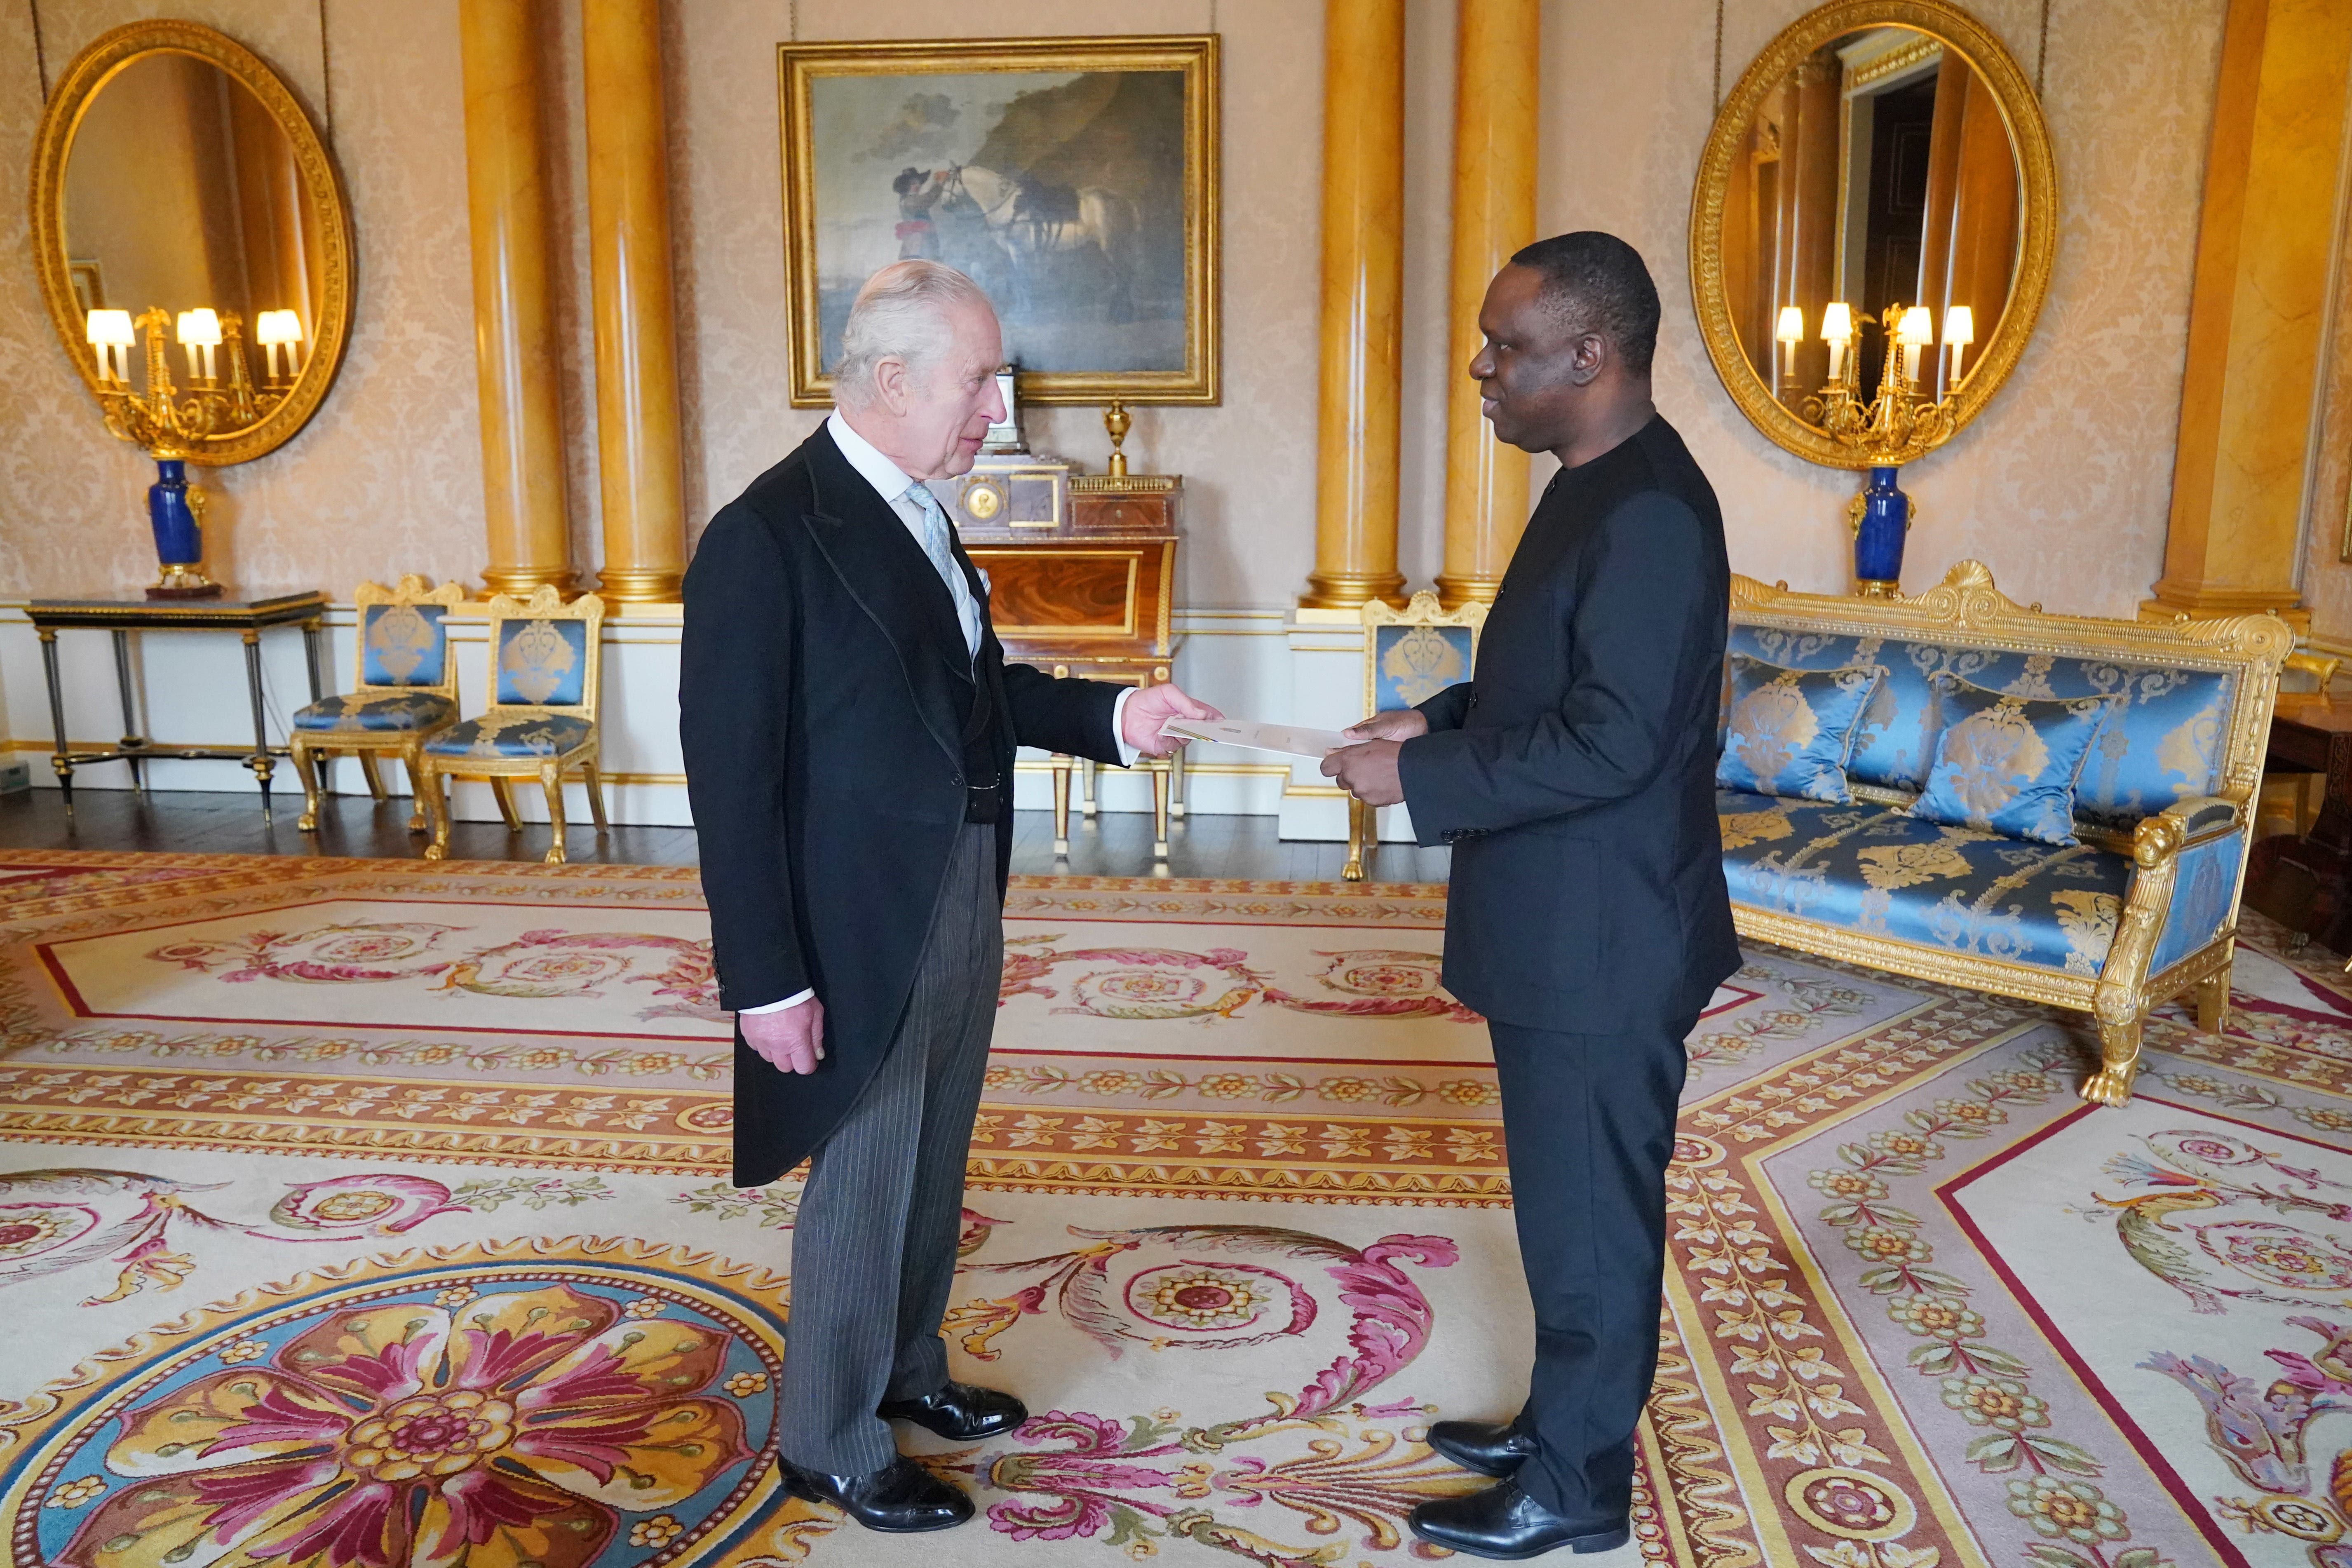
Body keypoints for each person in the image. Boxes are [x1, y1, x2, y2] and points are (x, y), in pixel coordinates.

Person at [680, 260, 1218, 1534]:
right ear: (887, 379)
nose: (996, 407)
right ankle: (830, 1436)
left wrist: (1114, 712)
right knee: (866, 1168)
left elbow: (979, 697)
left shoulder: (918, 511)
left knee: (932, 1154)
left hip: (958, 887)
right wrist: (765, 976)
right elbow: (730, 778)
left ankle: (907, 1369)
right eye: (979, 379)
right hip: (854, 914)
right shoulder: (766, 535)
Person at [1322, 232, 1740, 1560]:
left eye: (1505, 347)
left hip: (1604, 938)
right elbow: (1553, 685)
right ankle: (1559, 1418)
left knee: (1590, 1220)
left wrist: (1422, 773)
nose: (1480, 367)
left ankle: (1575, 1484)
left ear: (1588, 355)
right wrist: (1433, 712)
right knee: (1561, 1202)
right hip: (1565, 920)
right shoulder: (1590, 483)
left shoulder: (1653, 512)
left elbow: (1616, 740)